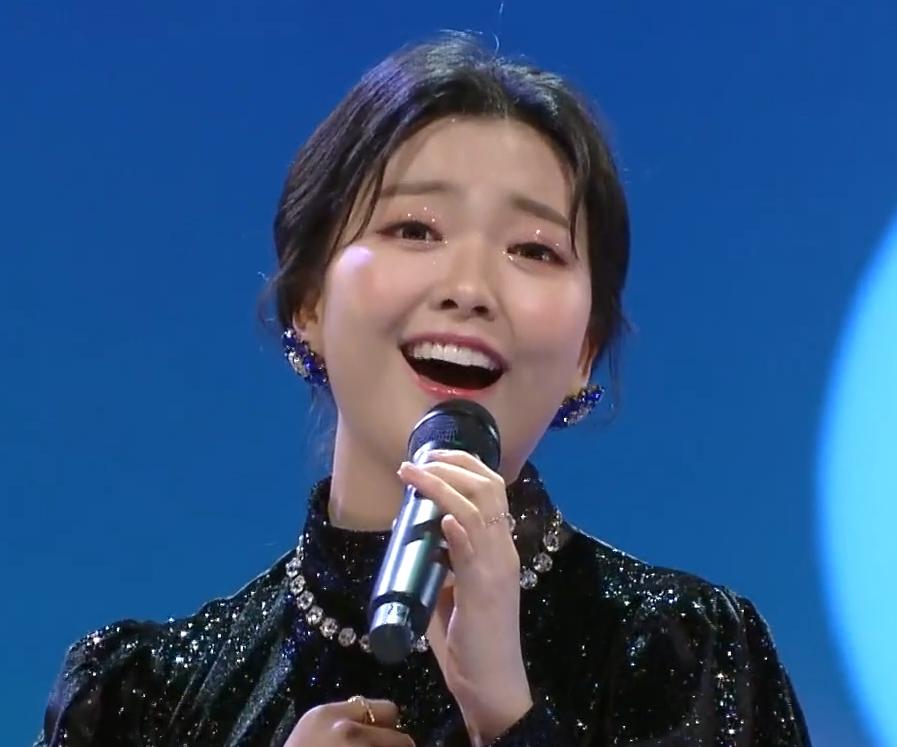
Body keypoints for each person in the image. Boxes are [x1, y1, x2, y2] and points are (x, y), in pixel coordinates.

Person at [35, 32, 812, 747]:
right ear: (308, 300)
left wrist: (507, 716)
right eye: (414, 229)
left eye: (533, 249)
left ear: (585, 348)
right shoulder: (143, 700)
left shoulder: (680, 656)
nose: (469, 287)